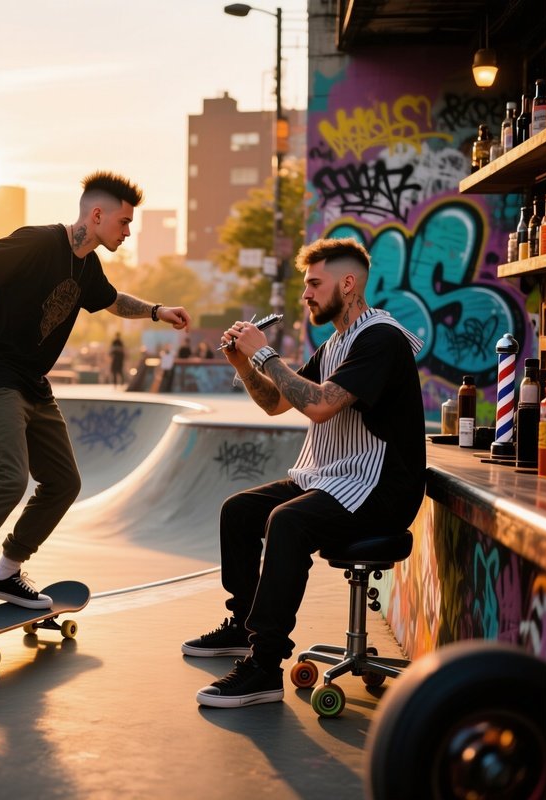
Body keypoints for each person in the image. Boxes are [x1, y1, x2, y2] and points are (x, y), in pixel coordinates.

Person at [0, 171, 191, 631]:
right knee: (8, 478)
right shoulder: (37, 242)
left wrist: (156, 311)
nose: (128, 231)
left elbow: (112, 301)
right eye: (124, 221)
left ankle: (6, 573)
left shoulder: (88, 267)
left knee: (63, 482)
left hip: (32, 383)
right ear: (97, 215)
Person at [182, 237, 426, 708]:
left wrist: (266, 354)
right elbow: (277, 402)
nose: (307, 294)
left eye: (315, 283)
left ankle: (265, 666)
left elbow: (320, 406)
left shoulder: (381, 339)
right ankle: (242, 625)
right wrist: (244, 361)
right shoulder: (338, 342)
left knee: (287, 522)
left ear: (348, 283)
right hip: (333, 476)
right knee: (240, 511)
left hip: (377, 488)